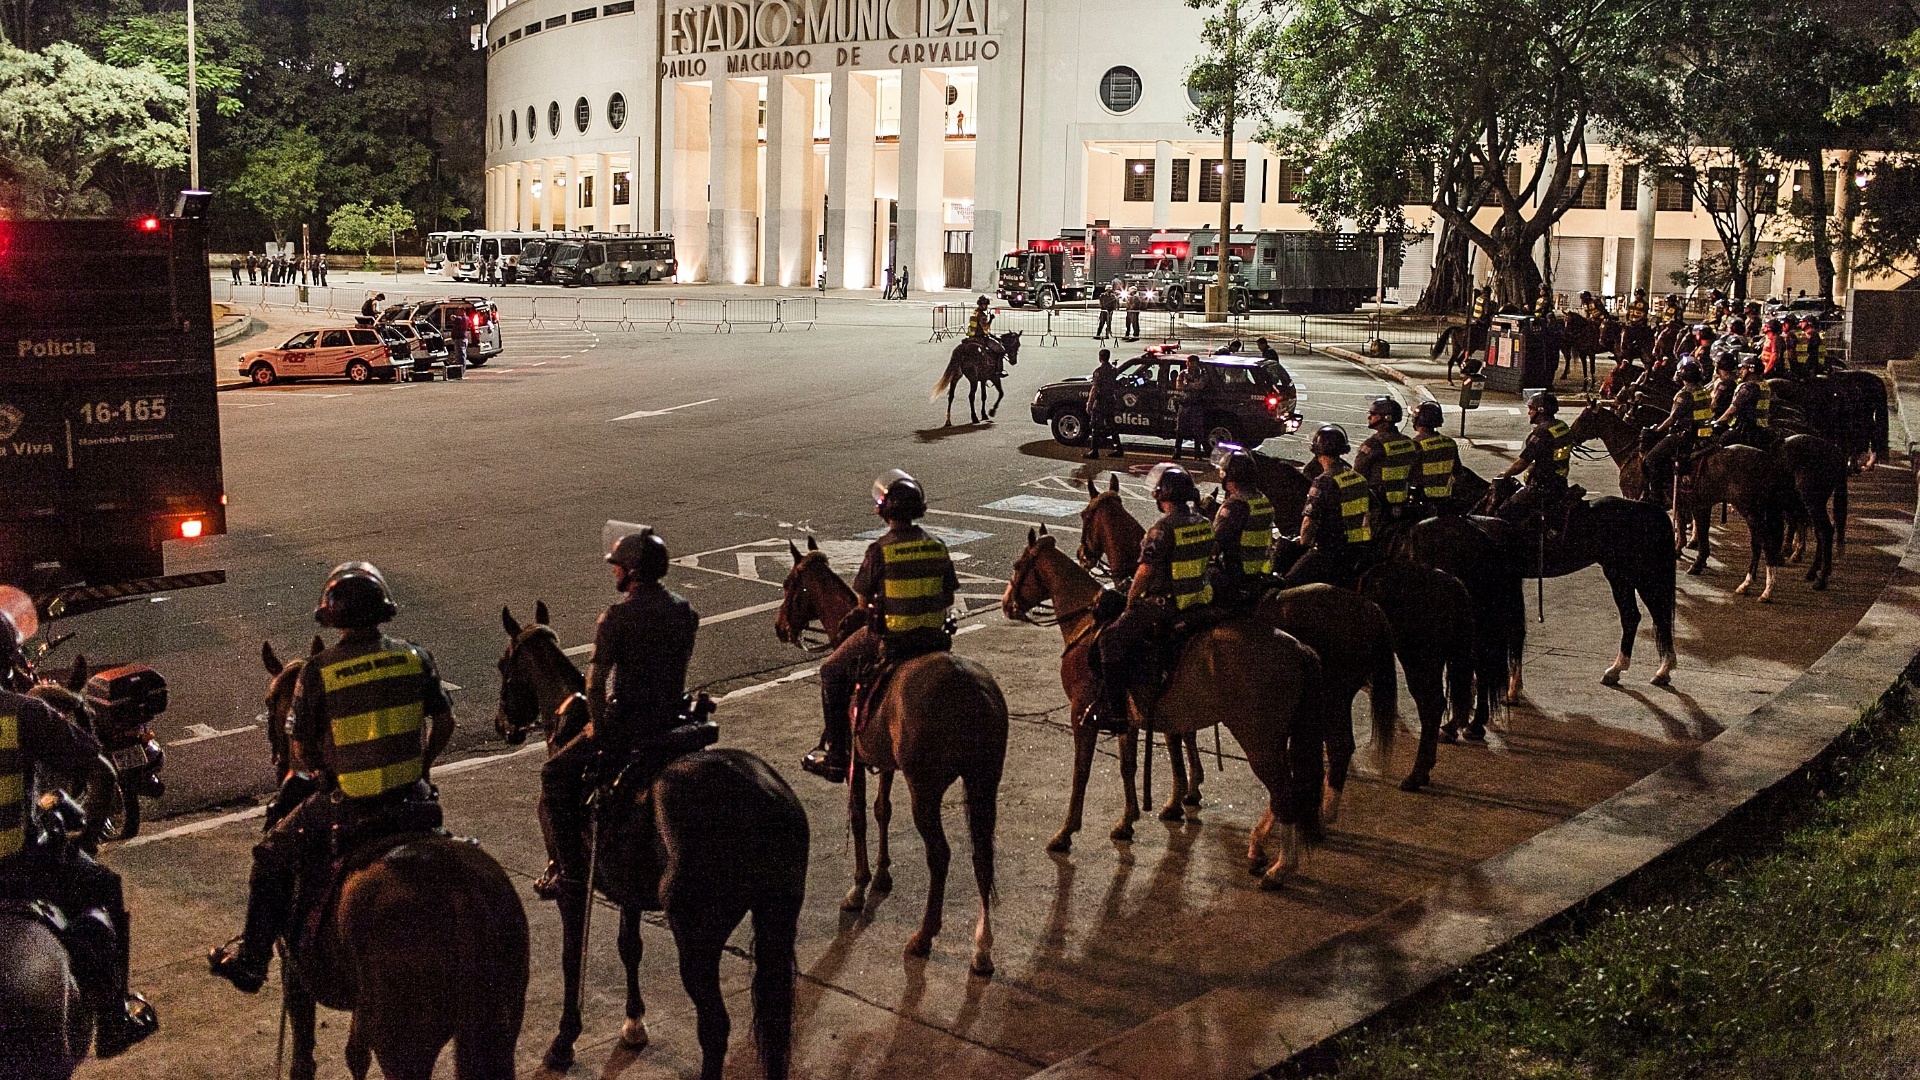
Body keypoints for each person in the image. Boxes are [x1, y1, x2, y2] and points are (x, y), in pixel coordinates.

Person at [209, 563, 453, 993]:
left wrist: (326, 770)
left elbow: (300, 750)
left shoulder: (318, 671)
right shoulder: (415, 656)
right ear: (383, 611)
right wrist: (422, 766)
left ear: (333, 618)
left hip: (351, 806)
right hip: (416, 801)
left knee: (270, 854)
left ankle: (252, 960)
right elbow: (445, 722)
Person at [0, 606, 159, 1056]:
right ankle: (114, 1017)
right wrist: (86, 841)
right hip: (21, 870)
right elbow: (103, 773)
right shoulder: (25, 713)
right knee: (104, 885)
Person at [537, 529, 699, 891]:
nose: (614, 570)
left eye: (619, 565)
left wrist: (597, 725)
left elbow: (595, 685)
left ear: (633, 571)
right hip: (674, 717)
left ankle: (569, 871)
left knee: (554, 774)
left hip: (631, 722)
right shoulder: (685, 611)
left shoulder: (615, 617)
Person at [802, 472, 958, 781]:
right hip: (935, 640)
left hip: (895, 640)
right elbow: (948, 594)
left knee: (831, 671)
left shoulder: (880, 550)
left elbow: (862, 604)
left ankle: (837, 756)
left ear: (885, 512)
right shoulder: (937, 545)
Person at [1090, 464, 1213, 731]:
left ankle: (1116, 715)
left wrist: (1130, 602)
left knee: (1110, 639)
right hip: (1200, 599)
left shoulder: (1162, 529)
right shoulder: (1203, 523)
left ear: (1163, 494)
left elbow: (1145, 572)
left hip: (1167, 604)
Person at [1280, 426, 1371, 588]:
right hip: (1359, 549)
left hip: (1330, 551)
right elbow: (1373, 509)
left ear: (1317, 451)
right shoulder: (1357, 477)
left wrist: (1302, 543)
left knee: (1289, 583)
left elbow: (1309, 522)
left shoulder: (1324, 480)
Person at [1640, 359, 1714, 508]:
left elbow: (1673, 418)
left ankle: (1656, 496)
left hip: (1686, 435)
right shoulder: (1703, 390)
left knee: (1651, 459)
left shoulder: (1685, 394)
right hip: (1706, 434)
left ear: (1683, 377)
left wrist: (1657, 429)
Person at [1495, 392, 1573, 525]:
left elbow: (1521, 464)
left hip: (1542, 488)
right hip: (1560, 483)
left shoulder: (1542, 432)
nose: (1529, 412)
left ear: (1540, 410)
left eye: (1531, 408)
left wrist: (1504, 475)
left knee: (1504, 512)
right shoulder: (1561, 426)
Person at [1211, 449, 1274, 607]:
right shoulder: (1262, 500)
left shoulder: (1235, 505)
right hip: (1261, 570)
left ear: (1230, 476)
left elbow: (1215, 544)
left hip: (1236, 573)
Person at [1352, 396, 1417, 531]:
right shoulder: (1408, 442)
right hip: (1403, 503)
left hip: (1378, 504)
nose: (1369, 417)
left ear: (1386, 418)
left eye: (1373, 414)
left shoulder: (1373, 444)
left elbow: (1357, 475)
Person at [1410, 400, 1460, 512]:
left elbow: (1409, 474)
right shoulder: (1450, 443)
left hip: (1422, 499)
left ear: (1417, 420)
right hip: (1445, 499)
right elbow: (1458, 472)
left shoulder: (1416, 444)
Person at [1716, 354, 1772, 448]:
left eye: (1743, 368)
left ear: (1751, 370)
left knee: (1721, 441)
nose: (1741, 371)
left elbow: (1733, 409)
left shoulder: (1749, 387)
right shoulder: (1763, 384)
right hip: (1761, 428)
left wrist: (1717, 422)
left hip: (1746, 430)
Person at [1170, 355, 1212, 461]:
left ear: (1197, 363)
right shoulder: (1183, 373)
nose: (1190, 365)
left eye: (1192, 362)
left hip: (1197, 405)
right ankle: (1177, 452)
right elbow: (1179, 386)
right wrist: (1191, 385)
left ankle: (1197, 454)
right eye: (1188, 362)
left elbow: (1200, 386)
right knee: (1180, 430)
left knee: (1197, 430)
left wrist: (1188, 385)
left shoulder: (1203, 374)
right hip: (1184, 404)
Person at [1085, 348, 1122, 459]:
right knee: (1111, 425)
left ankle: (1094, 451)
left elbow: (1095, 388)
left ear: (1100, 358)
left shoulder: (1098, 372)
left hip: (1101, 401)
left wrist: (1089, 403)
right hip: (1110, 400)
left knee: (1096, 426)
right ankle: (1118, 448)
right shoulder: (1113, 370)